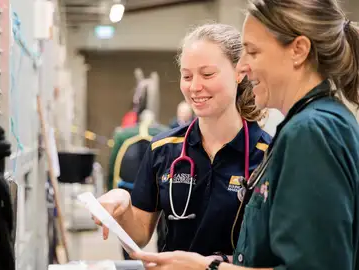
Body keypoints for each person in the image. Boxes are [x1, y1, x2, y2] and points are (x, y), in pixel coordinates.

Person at [131, 0, 359, 269]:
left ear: (298, 50)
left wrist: (207, 268)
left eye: (252, 52)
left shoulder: (310, 133)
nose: (243, 67)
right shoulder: (316, 124)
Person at [95, 23, 272, 260]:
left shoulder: (270, 155)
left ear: (240, 72)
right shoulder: (163, 149)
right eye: (187, 76)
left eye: (207, 74)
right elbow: (139, 235)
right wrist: (123, 203)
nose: (195, 87)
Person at [107, 109, 169, 259]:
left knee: (127, 233)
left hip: (126, 187)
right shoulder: (165, 134)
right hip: (158, 189)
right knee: (163, 231)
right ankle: (164, 259)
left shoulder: (123, 135)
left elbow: (112, 166)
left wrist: (110, 188)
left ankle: (129, 261)